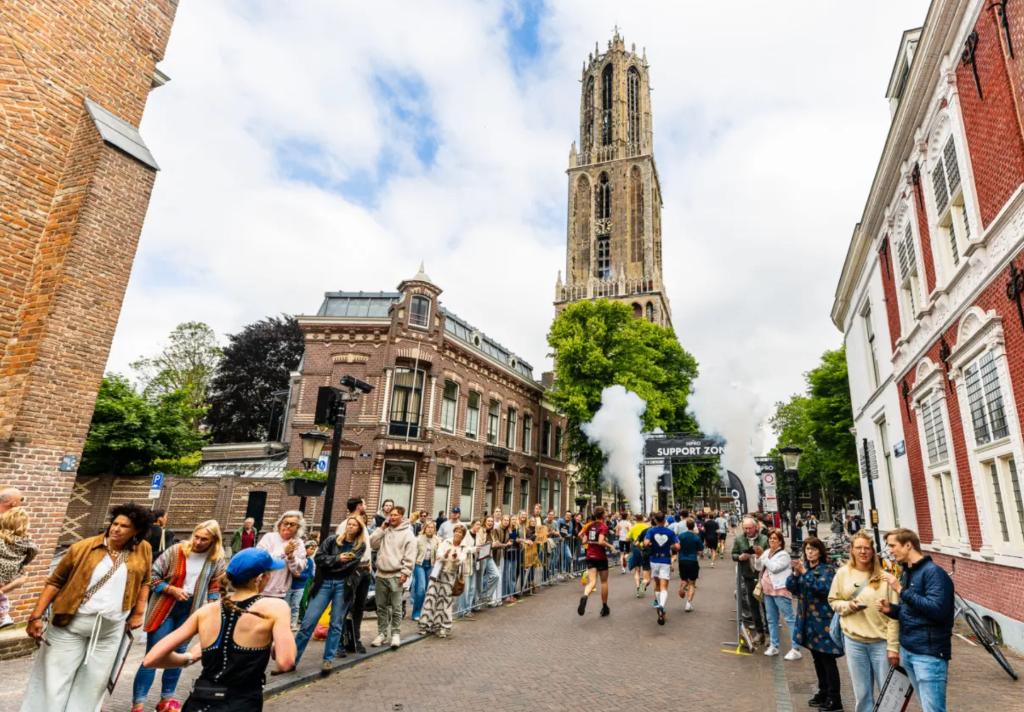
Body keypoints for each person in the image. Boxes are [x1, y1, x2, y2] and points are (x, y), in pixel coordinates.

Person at [21, 503, 153, 712]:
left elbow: (145, 581)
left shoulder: (143, 549)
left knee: (94, 683)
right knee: (55, 680)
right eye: (115, 523)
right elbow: (54, 582)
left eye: (124, 526)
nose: (117, 529)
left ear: (136, 530)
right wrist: (35, 617)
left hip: (110, 630)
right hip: (71, 624)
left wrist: (138, 613)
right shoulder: (83, 547)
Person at [142, 547, 296, 712]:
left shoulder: (206, 611)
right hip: (241, 703)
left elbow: (151, 659)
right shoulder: (275, 607)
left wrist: (188, 657)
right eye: (269, 573)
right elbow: (286, 662)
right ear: (259, 578)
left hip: (198, 701)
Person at [132, 520, 226, 712]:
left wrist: (214, 606)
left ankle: (166, 700)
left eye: (204, 539)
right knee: (153, 655)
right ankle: (139, 703)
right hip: (164, 607)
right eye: (196, 537)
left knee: (179, 656)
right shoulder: (177, 551)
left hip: (190, 611)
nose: (198, 542)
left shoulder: (216, 559)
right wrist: (171, 589)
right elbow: (152, 576)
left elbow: (215, 586)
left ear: (213, 541)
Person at [879, 528, 953, 712]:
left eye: (893, 545)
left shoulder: (934, 573)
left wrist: (900, 590)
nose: (890, 550)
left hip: (929, 655)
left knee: (933, 709)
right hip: (909, 650)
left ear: (908, 545)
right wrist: (892, 610)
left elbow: (938, 610)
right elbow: (913, 610)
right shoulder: (908, 572)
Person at [829, 531, 899, 712]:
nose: (862, 552)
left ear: (872, 551)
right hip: (854, 642)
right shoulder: (843, 574)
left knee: (887, 694)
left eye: (866, 548)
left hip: (880, 643)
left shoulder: (885, 577)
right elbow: (833, 601)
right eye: (858, 548)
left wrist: (893, 646)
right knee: (862, 695)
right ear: (851, 550)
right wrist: (849, 606)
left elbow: (895, 615)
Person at [291, 515, 367, 672]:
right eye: (349, 524)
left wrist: (331, 563)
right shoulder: (332, 540)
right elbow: (319, 558)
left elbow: (350, 566)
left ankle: (328, 659)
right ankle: (292, 659)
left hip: (343, 586)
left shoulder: (360, 546)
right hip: (324, 584)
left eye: (354, 525)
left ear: (359, 529)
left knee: (336, 624)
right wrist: (338, 559)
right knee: (308, 623)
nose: (350, 527)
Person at [788, 537, 845, 712]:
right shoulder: (806, 569)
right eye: (807, 549)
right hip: (809, 622)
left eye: (813, 549)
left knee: (827, 660)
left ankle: (835, 699)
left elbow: (822, 589)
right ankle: (823, 691)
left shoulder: (827, 570)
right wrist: (796, 574)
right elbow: (792, 588)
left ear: (820, 551)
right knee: (817, 659)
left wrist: (804, 571)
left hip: (824, 622)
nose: (809, 552)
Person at [369, 505, 417, 649]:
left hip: (396, 574)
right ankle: (382, 633)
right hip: (381, 574)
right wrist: (381, 529)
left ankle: (395, 633)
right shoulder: (385, 530)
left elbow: (410, 555)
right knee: (381, 606)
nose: (393, 517)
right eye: (391, 515)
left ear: (402, 516)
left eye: (396, 515)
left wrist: (405, 572)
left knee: (396, 607)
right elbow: (372, 543)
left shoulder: (408, 534)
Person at [418, 523, 468, 638]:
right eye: (456, 531)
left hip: (450, 575)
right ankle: (425, 625)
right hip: (438, 573)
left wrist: (456, 558)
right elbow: (439, 554)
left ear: (463, 535)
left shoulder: (463, 547)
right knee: (431, 598)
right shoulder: (446, 542)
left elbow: (461, 560)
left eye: (460, 532)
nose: (457, 534)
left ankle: (443, 627)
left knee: (445, 601)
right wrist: (445, 555)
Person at [755, 529, 800, 659]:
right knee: (771, 619)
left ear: (780, 541)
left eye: (775, 538)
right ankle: (774, 645)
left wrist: (763, 557)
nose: (772, 540)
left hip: (780, 590)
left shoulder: (784, 555)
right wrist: (758, 557)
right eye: (770, 538)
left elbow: (774, 568)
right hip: (768, 590)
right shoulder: (767, 552)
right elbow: (758, 567)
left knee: (789, 618)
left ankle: (795, 648)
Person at [341, 496, 372, 654]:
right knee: (345, 605)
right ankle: (341, 642)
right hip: (353, 570)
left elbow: (366, 547)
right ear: (359, 506)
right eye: (364, 503)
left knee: (359, 607)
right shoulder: (345, 525)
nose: (366, 505)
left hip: (365, 570)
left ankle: (355, 639)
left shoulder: (363, 525)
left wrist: (370, 563)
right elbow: (340, 547)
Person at [732, 515, 768, 645]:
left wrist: (760, 553)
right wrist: (740, 557)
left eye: (749, 528)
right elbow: (733, 554)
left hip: (763, 575)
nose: (747, 531)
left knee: (765, 604)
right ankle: (759, 632)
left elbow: (770, 553)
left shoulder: (764, 538)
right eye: (745, 528)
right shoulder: (739, 539)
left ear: (756, 527)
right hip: (748, 574)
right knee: (753, 604)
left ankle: (768, 630)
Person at [0, 506, 38, 628]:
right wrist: (21, 565)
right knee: (3, 593)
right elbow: (31, 556)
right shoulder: (29, 544)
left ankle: (3, 615)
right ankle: (3, 615)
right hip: (10, 575)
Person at [257, 511, 307, 600]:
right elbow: (260, 560)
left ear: (297, 528)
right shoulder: (269, 537)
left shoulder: (298, 543)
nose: (288, 526)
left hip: (282, 593)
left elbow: (298, 569)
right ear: (279, 525)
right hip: (260, 589)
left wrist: (291, 557)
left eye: (292, 524)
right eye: (285, 523)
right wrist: (283, 553)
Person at [642, 511, 680, 625]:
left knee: (657, 585)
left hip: (654, 560)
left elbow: (645, 543)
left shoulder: (651, 530)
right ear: (664, 520)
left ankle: (658, 603)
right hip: (665, 561)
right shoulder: (670, 532)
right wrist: (671, 545)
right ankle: (662, 606)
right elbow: (677, 547)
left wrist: (651, 544)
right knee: (664, 586)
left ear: (655, 520)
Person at [577, 506, 615, 617]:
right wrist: (610, 545)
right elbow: (601, 541)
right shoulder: (603, 526)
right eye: (605, 512)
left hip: (590, 555)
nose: (606, 514)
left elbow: (580, 535)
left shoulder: (589, 525)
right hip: (600, 557)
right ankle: (604, 607)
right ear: (602, 515)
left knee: (592, 581)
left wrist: (586, 541)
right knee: (604, 582)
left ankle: (585, 595)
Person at [284, 541, 316, 630]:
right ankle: (284, 622)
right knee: (286, 605)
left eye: (314, 549)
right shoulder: (296, 559)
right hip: (289, 585)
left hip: (300, 587)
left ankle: (293, 623)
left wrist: (300, 575)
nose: (312, 551)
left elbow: (309, 574)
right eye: (310, 549)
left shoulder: (310, 562)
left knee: (295, 605)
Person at [412, 519, 438, 621]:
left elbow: (439, 552)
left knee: (429, 589)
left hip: (430, 565)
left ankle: (426, 611)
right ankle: (416, 612)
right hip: (419, 565)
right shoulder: (418, 539)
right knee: (421, 588)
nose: (430, 529)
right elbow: (413, 553)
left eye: (432, 528)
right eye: (428, 527)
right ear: (424, 528)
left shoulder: (437, 540)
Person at [677, 517, 703, 612]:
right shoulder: (696, 537)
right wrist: (699, 554)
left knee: (684, 579)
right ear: (694, 526)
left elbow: (677, 547)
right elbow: (700, 551)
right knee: (692, 583)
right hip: (692, 561)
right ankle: (688, 603)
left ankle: (682, 588)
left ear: (686, 526)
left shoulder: (681, 536)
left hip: (682, 560)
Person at [627, 513, 652, 597]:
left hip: (636, 549)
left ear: (635, 519)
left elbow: (627, 538)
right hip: (646, 549)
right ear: (643, 518)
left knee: (637, 570)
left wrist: (632, 538)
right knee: (648, 570)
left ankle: (638, 587)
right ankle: (644, 583)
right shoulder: (647, 527)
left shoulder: (633, 527)